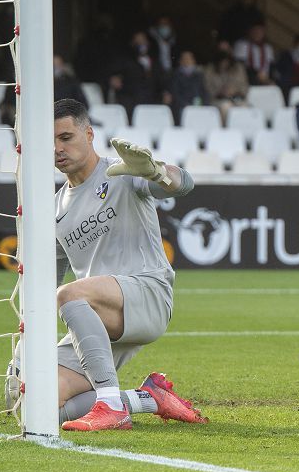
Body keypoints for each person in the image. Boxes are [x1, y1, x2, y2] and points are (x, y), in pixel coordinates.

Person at [51, 98, 207, 431]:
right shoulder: (54, 208)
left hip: (147, 295)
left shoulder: (121, 172)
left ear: (89, 134)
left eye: (65, 137)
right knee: (36, 402)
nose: (57, 148)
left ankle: (110, 405)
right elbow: (45, 284)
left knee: (69, 294)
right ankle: (147, 398)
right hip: (96, 317)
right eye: (50, 141)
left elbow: (185, 183)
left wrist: (158, 172)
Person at [203, 50, 249, 120]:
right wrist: (221, 92)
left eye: (227, 61)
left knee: (244, 107)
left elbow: (245, 86)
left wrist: (236, 91)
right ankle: (226, 130)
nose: (224, 63)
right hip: (218, 100)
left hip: (237, 98)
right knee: (226, 106)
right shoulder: (210, 69)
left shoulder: (238, 68)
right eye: (222, 61)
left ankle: (241, 129)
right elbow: (207, 87)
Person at [168, 51, 207, 123]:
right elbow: (175, 94)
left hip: (198, 105)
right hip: (182, 106)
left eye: (189, 59)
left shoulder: (199, 75)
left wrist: (202, 103)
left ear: (194, 61)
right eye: (184, 59)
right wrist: (187, 105)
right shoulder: (175, 75)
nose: (187, 61)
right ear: (180, 61)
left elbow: (204, 92)